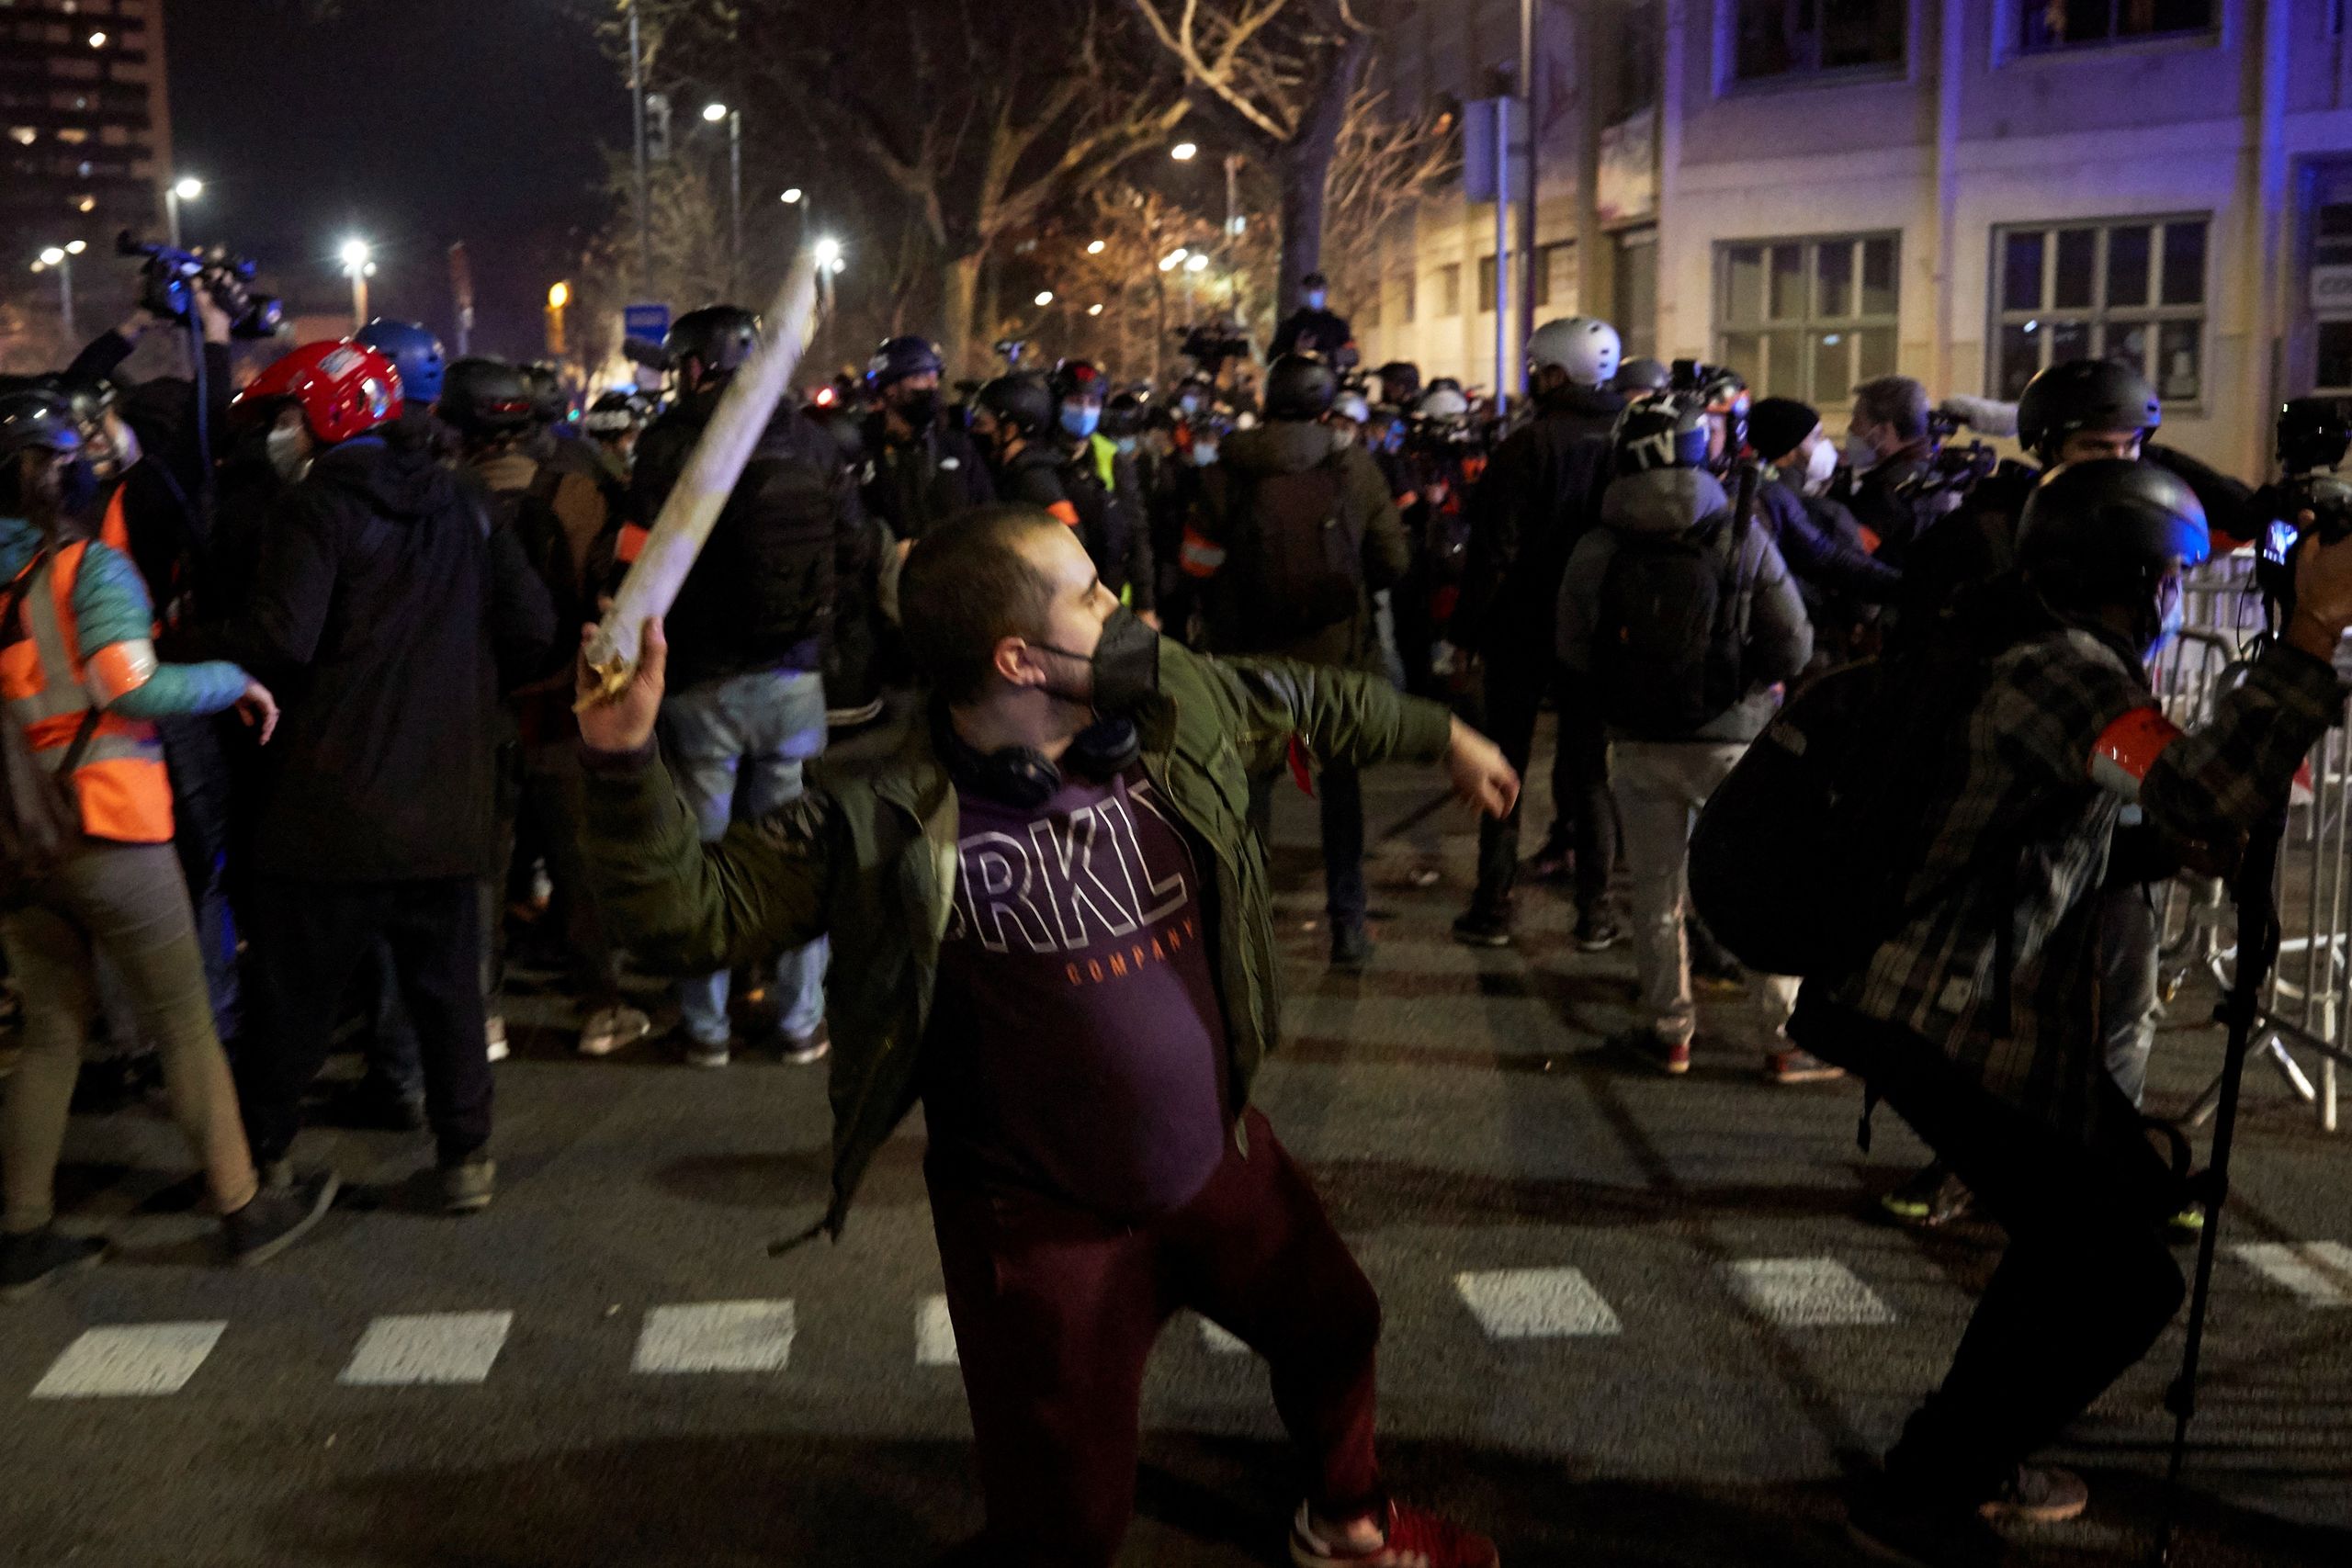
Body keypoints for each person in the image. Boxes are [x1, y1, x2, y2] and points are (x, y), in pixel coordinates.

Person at [575, 501, 1517, 1568]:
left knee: (1336, 1325)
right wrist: (622, 761)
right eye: (1091, 596)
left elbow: (1303, 696)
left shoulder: (1173, 712)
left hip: (1219, 1162)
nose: (1122, 610)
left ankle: (1347, 1526)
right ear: (1017, 659)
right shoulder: (881, 815)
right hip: (1040, 1233)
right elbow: (688, 916)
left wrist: (1444, 736)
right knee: (1066, 1531)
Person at [1782, 458, 2352, 1565]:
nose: (2180, 599)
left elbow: (2038, 819)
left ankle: (1964, 1453)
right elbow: (2201, 790)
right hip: (1946, 1015)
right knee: (2117, 1274)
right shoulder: (2064, 670)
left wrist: (2162, 841)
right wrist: (2313, 629)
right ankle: (1922, 1491)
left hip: (1935, 1003)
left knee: (2092, 1233)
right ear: (2141, 581)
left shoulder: (2022, 648)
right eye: (2174, 579)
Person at [176, 340, 555, 1214]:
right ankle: (465, 1158)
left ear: (322, 417)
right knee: (449, 994)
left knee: (293, 998)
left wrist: (184, 644)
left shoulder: (314, 508)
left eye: (285, 416)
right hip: (448, 803)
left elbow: (281, 638)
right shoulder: (465, 501)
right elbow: (533, 627)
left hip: (330, 806)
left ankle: (265, 1161)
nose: (279, 433)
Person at [0, 385, 339, 1297]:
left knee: (50, 1030)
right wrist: (232, 680)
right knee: (185, 1019)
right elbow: (129, 684)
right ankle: (244, 1206)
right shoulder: (87, 569)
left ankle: (22, 1228)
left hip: (19, 841)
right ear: (62, 471)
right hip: (107, 825)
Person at [1556, 395, 1814, 1078]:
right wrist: (1742, 683)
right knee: (1756, 886)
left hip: (1637, 744)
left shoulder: (1597, 546)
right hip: (1733, 742)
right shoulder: (1738, 532)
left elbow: (1573, 648)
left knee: (1656, 893)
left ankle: (1671, 1033)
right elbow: (1793, 644)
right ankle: (1783, 1038)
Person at [632, 305, 853, 1069]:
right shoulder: (812, 441)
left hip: (701, 682)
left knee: (706, 856)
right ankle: (801, 1021)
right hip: (794, 678)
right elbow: (853, 544)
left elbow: (637, 555)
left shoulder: (668, 443)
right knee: (793, 850)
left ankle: (706, 1027)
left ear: (696, 366)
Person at [443, 358, 648, 1062]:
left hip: (476, 708)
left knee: (485, 868)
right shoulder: (578, 491)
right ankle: (601, 1006)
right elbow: (613, 589)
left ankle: (484, 1014)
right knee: (578, 859)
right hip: (566, 703)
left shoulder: (443, 497)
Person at [1185, 354, 1409, 971]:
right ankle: (1349, 925)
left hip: (1249, 663)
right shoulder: (1353, 466)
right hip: (1336, 663)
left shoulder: (1228, 468)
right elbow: (1394, 560)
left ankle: (1247, 924)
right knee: (1341, 791)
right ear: (1325, 405)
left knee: (1251, 792)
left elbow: (1196, 563)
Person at [1451, 317, 1628, 952]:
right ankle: (1595, 910)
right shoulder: (1630, 437)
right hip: (1597, 629)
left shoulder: (1528, 445)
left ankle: (1493, 904)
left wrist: (1466, 630)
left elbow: (1493, 552)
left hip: (1522, 627)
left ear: (1557, 373)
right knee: (1590, 772)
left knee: (1505, 763)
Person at [1742, 396, 1900, 667]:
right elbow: (1830, 560)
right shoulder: (1792, 503)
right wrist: (1903, 587)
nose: (1825, 445)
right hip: (1812, 650)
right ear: (1789, 450)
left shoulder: (1758, 491)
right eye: (1816, 437)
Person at [858, 335, 993, 547]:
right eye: (920, 377)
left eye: (935, 376)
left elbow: (987, 515)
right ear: (890, 388)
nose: (932, 385)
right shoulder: (862, 451)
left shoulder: (956, 446)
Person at [1835, 375, 1937, 568]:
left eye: (1857, 421)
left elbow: (1851, 555)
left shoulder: (1888, 492)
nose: (1851, 428)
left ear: (1883, 431)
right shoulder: (1928, 470)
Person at [1271, 271, 1357, 366]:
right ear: (1302, 294)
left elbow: (1352, 355)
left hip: (1328, 373)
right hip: (1298, 373)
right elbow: (1272, 358)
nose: (1314, 294)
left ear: (1325, 292)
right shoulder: (1290, 326)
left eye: (1318, 290)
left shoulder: (1338, 326)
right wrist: (1295, 350)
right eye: (1309, 290)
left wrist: (1328, 356)